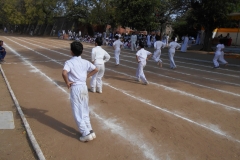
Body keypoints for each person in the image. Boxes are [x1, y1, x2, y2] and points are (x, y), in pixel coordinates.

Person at [62, 41, 98, 142]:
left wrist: (67, 82)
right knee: (85, 109)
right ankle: (90, 130)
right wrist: (87, 76)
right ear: (81, 51)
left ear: (71, 52)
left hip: (76, 88)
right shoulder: (85, 62)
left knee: (77, 111)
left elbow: (64, 73)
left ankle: (85, 133)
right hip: (84, 87)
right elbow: (96, 69)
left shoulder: (69, 62)